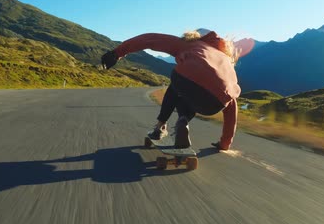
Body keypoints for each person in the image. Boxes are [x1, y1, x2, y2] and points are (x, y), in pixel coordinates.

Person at [101, 29, 254, 150]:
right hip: (215, 103)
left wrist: (117, 53)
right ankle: (183, 120)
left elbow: (149, 39)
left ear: (195, 36)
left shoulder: (190, 43)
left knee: (178, 84)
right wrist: (224, 143)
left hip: (186, 78)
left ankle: (160, 127)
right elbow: (231, 111)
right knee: (192, 93)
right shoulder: (226, 60)